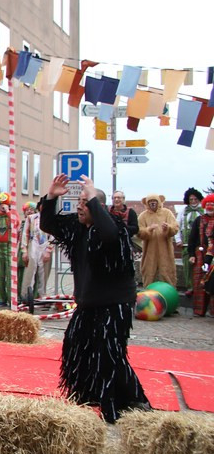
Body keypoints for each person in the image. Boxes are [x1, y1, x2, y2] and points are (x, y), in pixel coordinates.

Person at [40, 174, 150, 423]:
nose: (79, 205)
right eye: (78, 201)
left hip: (114, 305)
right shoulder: (76, 229)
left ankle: (127, 401)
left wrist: (92, 198)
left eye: (84, 201)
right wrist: (51, 197)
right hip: (88, 304)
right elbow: (48, 224)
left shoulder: (115, 230)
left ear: (97, 206)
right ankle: (85, 396)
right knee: (77, 348)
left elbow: (109, 233)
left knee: (108, 354)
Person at [136, 193, 178, 287]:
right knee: (148, 273)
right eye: (150, 202)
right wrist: (148, 230)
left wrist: (168, 228)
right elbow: (138, 231)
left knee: (167, 272)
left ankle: (169, 293)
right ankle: (148, 295)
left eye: (154, 201)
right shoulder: (143, 216)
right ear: (146, 203)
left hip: (165, 249)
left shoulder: (167, 213)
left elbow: (175, 227)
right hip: (149, 250)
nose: (152, 203)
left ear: (159, 201)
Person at [186, 194, 214, 316]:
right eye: (208, 205)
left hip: (213, 255)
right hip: (200, 254)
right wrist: (191, 254)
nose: (210, 207)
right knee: (198, 282)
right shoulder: (199, 219)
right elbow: (192, 238)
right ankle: (199, 310)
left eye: (212, 205)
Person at [0, 193, 18, 307]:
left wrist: (8, 213)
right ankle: (0, 298)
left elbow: (16, 225)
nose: (2, 206)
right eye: (0, 204)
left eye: (4, 204)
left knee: (10, 274)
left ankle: (12, 298)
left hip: (10, 247)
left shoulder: (13, 214)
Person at [178, 188, 204, 296]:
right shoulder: (183, 211)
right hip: (186, 242)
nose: (193, 201)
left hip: (201, 243)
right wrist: (178, 240)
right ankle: (190, 286)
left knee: (201, 266)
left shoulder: (204, 210)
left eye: (195, 199)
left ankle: (200, 287)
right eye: (191, 199)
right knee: (187, 266)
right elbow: (177, 225)